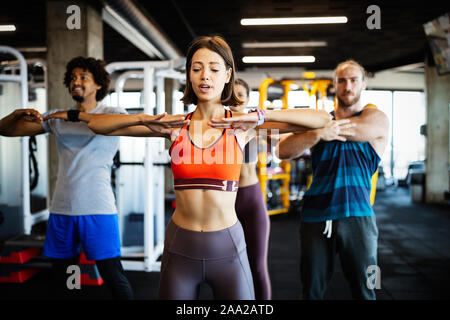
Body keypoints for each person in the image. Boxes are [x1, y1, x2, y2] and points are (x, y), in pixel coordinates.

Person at [86, 35, 331, 300]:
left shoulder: (243, 125)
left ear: (227, 75)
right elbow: (96, 125)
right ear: (189, 76)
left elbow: (321, 119)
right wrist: (143, 118)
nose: (205, 76)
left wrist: (261, 115)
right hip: (180, 247)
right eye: (197, 68)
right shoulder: (174, 125)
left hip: (228, 249)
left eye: (214, 69)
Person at [1, 57, 184, 300]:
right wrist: (17, 113)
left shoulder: (112, 113)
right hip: (62, 209)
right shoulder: (56, 118)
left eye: (83, 77)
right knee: (64, 278)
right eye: (73, 78)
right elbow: (5, 129)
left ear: (98, 85)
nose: (77, 82)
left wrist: (72, 115)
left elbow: (101, 125)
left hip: (97, 208)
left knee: (112, 275)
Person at [276, 59, 389, 300]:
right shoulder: (318, 124)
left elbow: (359, 130)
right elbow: (282, 150)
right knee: (311, 292)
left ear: (363, 84)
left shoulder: (376, 119)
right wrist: (317, 134)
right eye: (342, 81)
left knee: (367, 290)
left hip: (359, 216)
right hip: (316, 216)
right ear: (334, 85)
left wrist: (322, 127)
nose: (348, 86)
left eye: (353, 80)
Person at [229, 78, 271, 300]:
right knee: (230, 268)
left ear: (248, 99)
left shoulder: (258, 126)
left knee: (257, 266)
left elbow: (284, 135)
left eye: (241, 96)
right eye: (232, 95)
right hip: (227, 202)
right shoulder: (219, 126)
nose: (236, 101)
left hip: (252, 198)